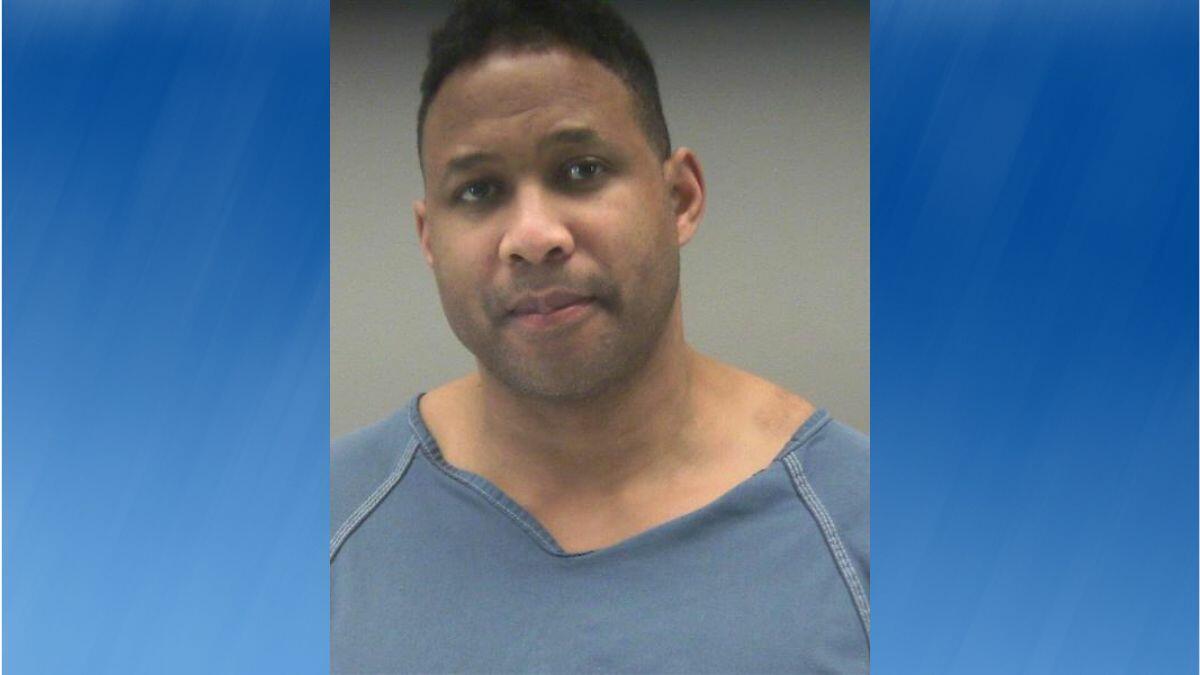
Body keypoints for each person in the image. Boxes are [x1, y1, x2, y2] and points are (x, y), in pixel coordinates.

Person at [331, 1, 869, 672]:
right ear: (429, 238)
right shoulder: (317, 530)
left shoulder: (866, 527)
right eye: (479, 191)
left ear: (680, 198)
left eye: (581, 170)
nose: (533, 237)